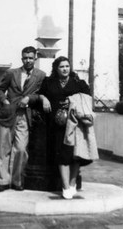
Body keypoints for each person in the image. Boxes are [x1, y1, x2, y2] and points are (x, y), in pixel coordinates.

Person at [39, 56, 98, 199]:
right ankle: (65, 187)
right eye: (61, 66)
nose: (65, 69)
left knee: (75, 156)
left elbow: (87, 99)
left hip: (75, 124)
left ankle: (72, 184)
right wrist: (44, 98)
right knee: (62, 155)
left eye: (67, 66)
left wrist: (72, 102)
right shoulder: (48, 82)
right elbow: (40, 93)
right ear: (56, 68)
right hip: (57, 125)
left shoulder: (78, 83)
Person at [0, 46, 45, 192]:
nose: (28, 60)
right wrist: (5, 101)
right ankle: (3, 181)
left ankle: (17, 180)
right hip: (8, 115)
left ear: (35, 58)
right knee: (4, 149)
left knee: (21, 149)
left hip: (25, 116)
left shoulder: (41, 75)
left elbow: (41, 94)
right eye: (25, 58)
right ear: (21, 58)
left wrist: (29, 97)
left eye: (30, 57)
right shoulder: (11, 73)